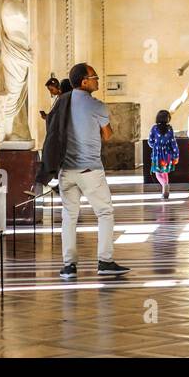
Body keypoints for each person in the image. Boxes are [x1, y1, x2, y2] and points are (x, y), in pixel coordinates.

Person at [38, 62, 129, 280]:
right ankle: (105, 261)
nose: (97, 80)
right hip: (90, 170)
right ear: (84, 81)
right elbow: (107, 135)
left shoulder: (61, 102)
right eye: (94, 77)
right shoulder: (96, 105)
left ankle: (69, 266)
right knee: (104, 213)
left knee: (69, 216)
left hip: (65, 172)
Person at [148, 109, 180, 200]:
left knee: (158, 173)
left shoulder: (154, 128)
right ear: (167, 119)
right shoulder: (170, 129)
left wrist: (155, 146)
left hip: (157, 155)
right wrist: (176, 155)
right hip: (167, 155)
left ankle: (164, 185)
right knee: (165, 173)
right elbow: (173, 143)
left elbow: (150, 141)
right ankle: (165, 191)